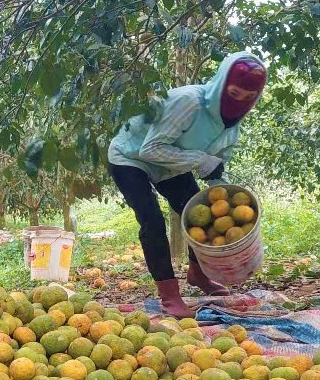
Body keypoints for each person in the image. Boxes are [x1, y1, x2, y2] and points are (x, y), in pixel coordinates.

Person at [108, 51, 267, 318]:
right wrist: (199, 159)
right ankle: (169, 295)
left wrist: (223, 193)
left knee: (198, 215)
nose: (239, 101)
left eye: (248, 97)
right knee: (152, 221)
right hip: (131, 155)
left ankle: (198, 275)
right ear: (222, 84)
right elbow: (150, 149)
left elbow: (216, 167)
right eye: (235, 92)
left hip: (171, 160)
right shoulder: (189, 102)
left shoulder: (232, 127)